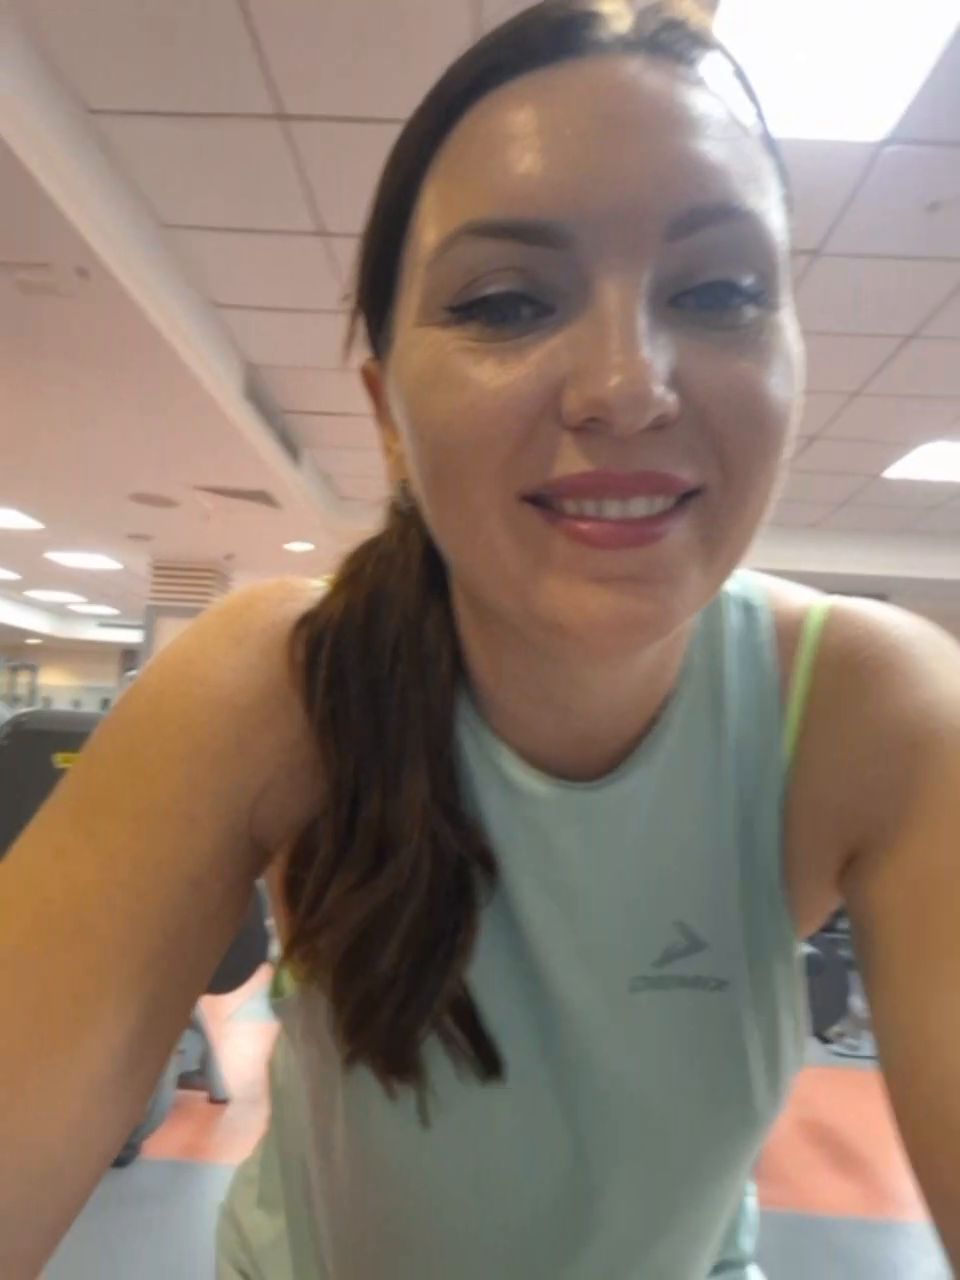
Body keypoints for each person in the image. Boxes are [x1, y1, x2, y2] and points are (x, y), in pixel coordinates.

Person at [2, 3, 958, 1277]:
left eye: (719, 290)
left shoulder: (873, 711)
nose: (628, 385)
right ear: (387, 417)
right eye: (507, 301)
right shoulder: (275, 686)